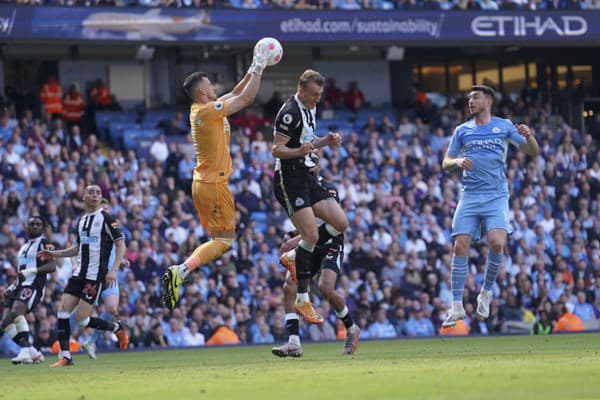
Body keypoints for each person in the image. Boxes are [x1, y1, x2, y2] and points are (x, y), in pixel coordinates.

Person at [160, 40, 274, 310]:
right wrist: (259, 67)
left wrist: (252, 67)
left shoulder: (205, 109)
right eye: (210, 84)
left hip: (204, 183)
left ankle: (182, 271)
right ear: (202, 91)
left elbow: (236, 92)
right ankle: (182, 271)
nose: (214, 87)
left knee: (220, 240)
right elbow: (246, 99)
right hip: (213, 184)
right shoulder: (207, 111)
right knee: (224, 242)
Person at [441, 85, 539, 328]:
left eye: (475, 97)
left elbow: (532, 152)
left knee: (497, 242)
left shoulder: (504, 125)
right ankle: (456, 306)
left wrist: (528, 136)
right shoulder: (462, 130)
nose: (470, 102)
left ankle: (485, 293)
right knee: (460, 244)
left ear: (488, 101)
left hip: (496, 196)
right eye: (469, 98)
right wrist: (457, 161)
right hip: (470, 196)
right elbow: (445, 162)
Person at [272, 70, 348, 324]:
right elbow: (276, 149)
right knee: (312, 236)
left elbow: (308, 141)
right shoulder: (290, 112)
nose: (317, 99)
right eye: (314, 94)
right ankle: (303, 299)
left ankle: (295, 253)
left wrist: (326, 141)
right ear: (301, 89)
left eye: (320, 95)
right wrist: (299, 151)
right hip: (290, 180)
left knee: (341, 223)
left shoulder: (309, 109)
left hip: (307, 175)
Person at [38, 184, 129, 367]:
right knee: (62, 311)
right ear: (83, 196)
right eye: (91, 192)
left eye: (98, 193)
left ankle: (117, 328)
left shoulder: (106, 218)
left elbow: (121, 245)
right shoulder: (81, 221)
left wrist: (113, 270)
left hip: (95, 277)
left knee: (81, 320)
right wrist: (54, 254)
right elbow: (76, 249)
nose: (95, 195)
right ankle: (65, 357)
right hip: (79, 274)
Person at [272, 176, 360, 357]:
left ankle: (351, 327)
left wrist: (296, 239)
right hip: (309, 242)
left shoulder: (327, 189)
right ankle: (294, 342)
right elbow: (306, 221)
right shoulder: (299, 186)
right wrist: (291, 234)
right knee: (289, 286)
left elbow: (330, 222)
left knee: (325, 288)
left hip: (330, 241)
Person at [1, 216, 56, 364]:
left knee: (17, 312)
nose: (35, 226)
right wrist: (11, 287)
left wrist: (31, 271)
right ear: (26, 227)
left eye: (38, 224)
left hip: (34, 285)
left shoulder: (45, 243)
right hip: (19, 286)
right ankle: (33, 351)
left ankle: (24, 352)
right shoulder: (23, 248)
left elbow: (51, 266)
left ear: (42, 228)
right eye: (32, 224)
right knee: (5, 322)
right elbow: (21, 272)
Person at [81, 198, 131, 360]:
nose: (107, 212)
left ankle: (91, 340)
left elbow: (117, 249)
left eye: (107, 209)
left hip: (109, 275)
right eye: (104, 209)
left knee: (111, 308)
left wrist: (120, 262)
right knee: (79, 316)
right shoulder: (88, 230)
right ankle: (64, 348)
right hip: (92, 276)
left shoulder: (113, 229)